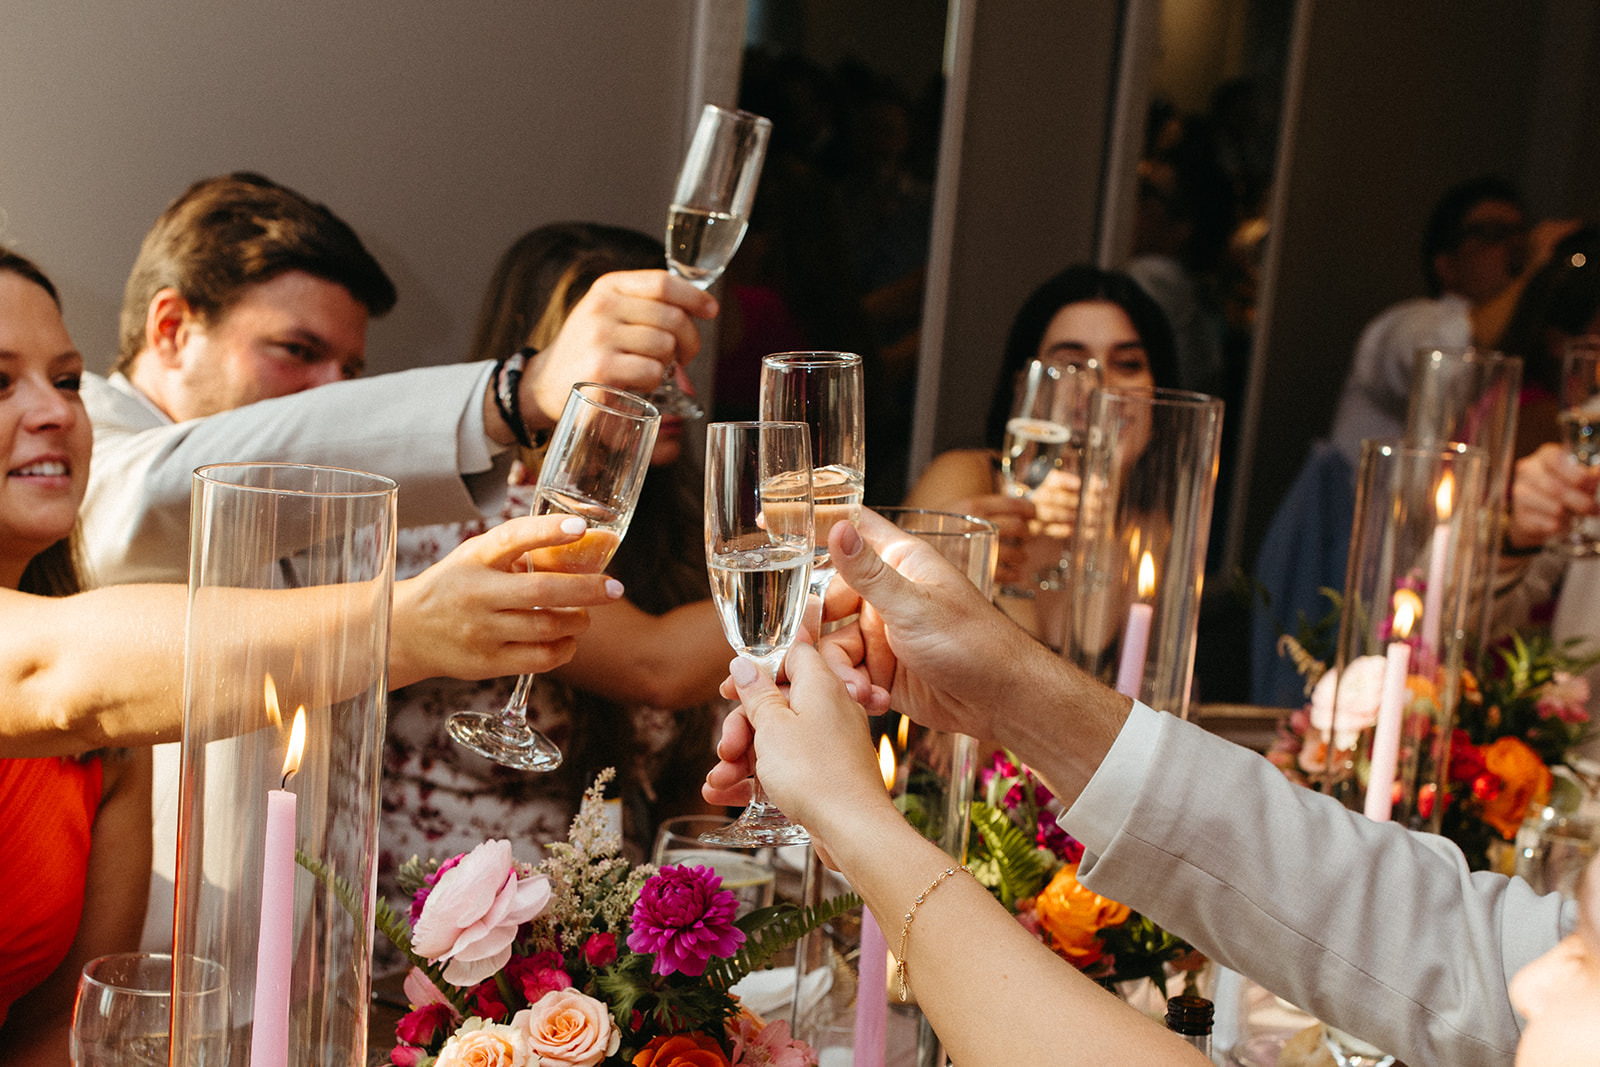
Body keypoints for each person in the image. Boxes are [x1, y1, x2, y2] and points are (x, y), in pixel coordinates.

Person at [0, 246, 626, 1060]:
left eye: (70, 378)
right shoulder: (76, 668)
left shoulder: (112, 745)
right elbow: (53, 677)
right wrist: (405, 625)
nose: (54, 410)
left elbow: (56, 1026)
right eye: (0, 381)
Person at [73, 173, 714, 948]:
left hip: (297, 970)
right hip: (136, 974)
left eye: (347, 374)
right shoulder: (98, 463)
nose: (325, 393)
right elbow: (153, 496)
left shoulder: (315, 504)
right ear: (172, 327)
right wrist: (520, 390)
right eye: (297, 351)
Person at [706, 509, 1574, 1067]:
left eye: (1591, 967)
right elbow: (1468, 953)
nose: (1542, 986)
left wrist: (862, 823)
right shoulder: (1538, 984)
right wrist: (1013, 687)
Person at [381, 223, 734, 906]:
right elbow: (655, 668)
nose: (678, 389)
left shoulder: (661, 525)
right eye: (643, 359)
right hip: (440, 945)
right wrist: (827, 577)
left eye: (676, 362)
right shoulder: (471, 515)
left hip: (597, 947)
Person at [903, 266, 1178, 640]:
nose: (1098, 389)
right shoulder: (970, 479)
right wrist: (934, 556)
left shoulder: (1152, 531)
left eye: (1127, 364)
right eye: (1069, 365)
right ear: (1024, 388)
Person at [1327, 176, 1537, 466]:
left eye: (1521, 234)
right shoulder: (1413, 320)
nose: (1515, 246)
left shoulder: (1525, 339)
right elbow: (1438, 365)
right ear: (1446, 265)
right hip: (1370, 508)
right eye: (1492, 232)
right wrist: (1532, 276)